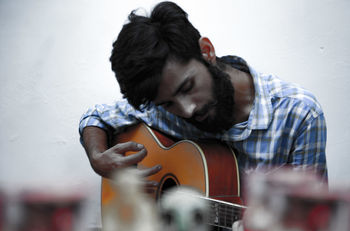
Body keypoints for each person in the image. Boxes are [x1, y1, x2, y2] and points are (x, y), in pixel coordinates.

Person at [79, 1, 327, 192]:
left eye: (187, 87)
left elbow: (310, 222)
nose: (186, 110)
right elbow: (96, 116)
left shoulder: (298, 115)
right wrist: (97, 158)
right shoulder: (163, 111)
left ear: (206, 51)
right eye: (168, 103)